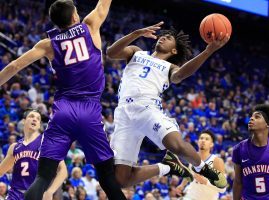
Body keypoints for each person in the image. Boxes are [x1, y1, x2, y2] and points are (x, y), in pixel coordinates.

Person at [0, 0, 127, 199]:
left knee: (42, 177)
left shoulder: (48, 44)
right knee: (107, 177)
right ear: (75, 17)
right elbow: (103, 4)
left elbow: (14, 66)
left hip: (63, 112)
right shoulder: (90, 25)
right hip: (90, 111)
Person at [107, 22, 229, 189]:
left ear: (174, 51)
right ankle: (168, 167)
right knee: (121, 181)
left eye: (169, 37)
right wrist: (135, 33)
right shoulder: (136, 52)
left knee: (176, 145)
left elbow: (179, 76)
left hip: (148, 108)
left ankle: (203, 168)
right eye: (163, 35)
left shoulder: (170, 66)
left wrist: (208, 51)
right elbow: (111, 53)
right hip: (123, 114)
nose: (163, 37)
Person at [0, 108, 67, 200]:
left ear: (39, 125)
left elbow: (63, 171)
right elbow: (1, 171)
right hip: (14, 194)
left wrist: (50, 191)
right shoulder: (14, 147)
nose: (35, 119)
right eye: (31, 116)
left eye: (38, 118)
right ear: (24, 121)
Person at [232, 104, 269, 199]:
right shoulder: (239, 149)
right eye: (251, 116)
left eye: (257, 117)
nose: (251, 119)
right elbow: (237, 182)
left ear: (267, 124)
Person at [177, 130, 226, 200]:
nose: (203, 140)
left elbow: (223, 189)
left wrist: (205, 181)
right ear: (198, 142)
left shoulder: (217, 161)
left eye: (207, 139)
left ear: (211, 144)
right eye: (201, 138)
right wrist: (182, 185)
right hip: (191, 196)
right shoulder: (193, 156)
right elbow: (189, 173)